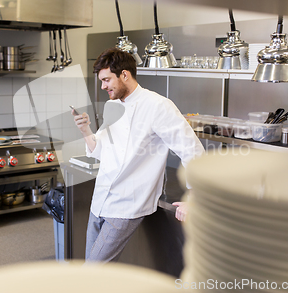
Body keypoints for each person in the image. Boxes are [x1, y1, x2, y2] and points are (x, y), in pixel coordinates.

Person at [73, 47, 204, 262]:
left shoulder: (158, 106)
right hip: (100, 199)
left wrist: (195, 198)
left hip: (128, 203)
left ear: (124, 74)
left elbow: (192, 150)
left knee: (93, 269)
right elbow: (101, 151)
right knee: (93, 268)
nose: (103, 86)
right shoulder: (112, 105)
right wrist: (85, 131)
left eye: (106, 80)